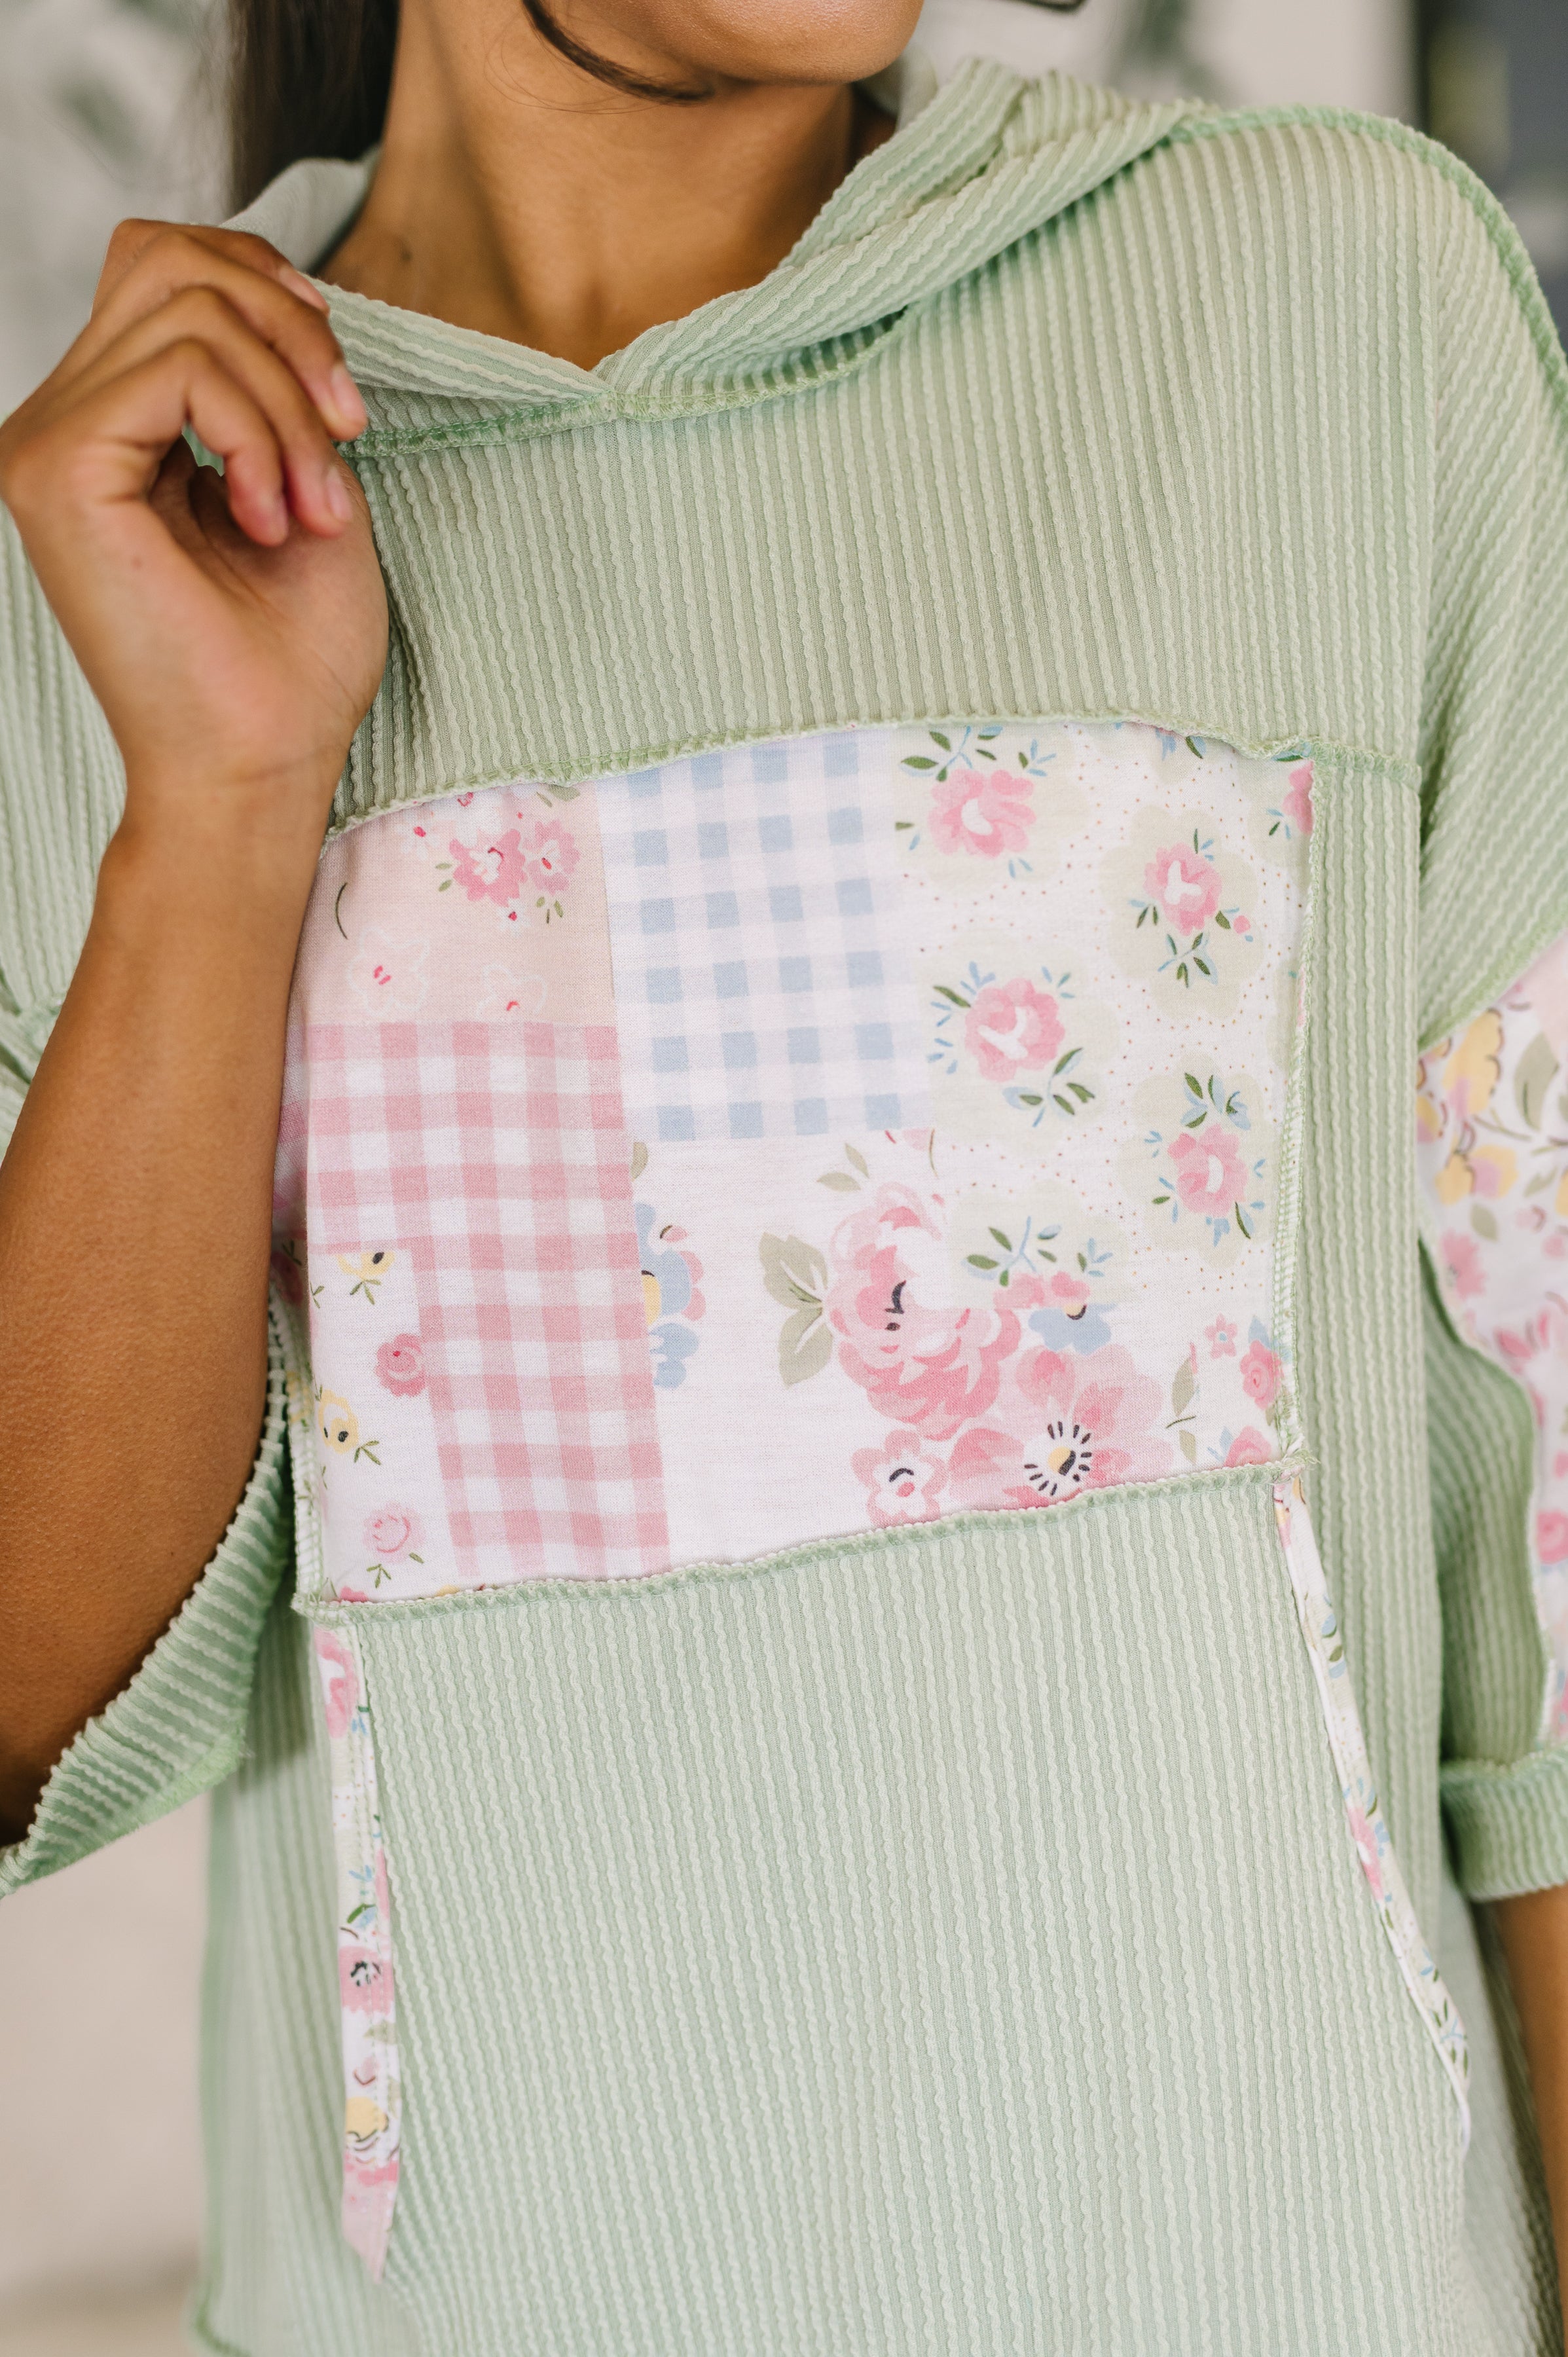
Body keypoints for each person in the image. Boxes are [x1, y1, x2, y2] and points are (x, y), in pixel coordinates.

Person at [2, 0, 1567, 2348]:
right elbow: (30, 1696)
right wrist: (218, 816)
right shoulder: (116, 553)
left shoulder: (1332, 307)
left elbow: (1548, 1557)